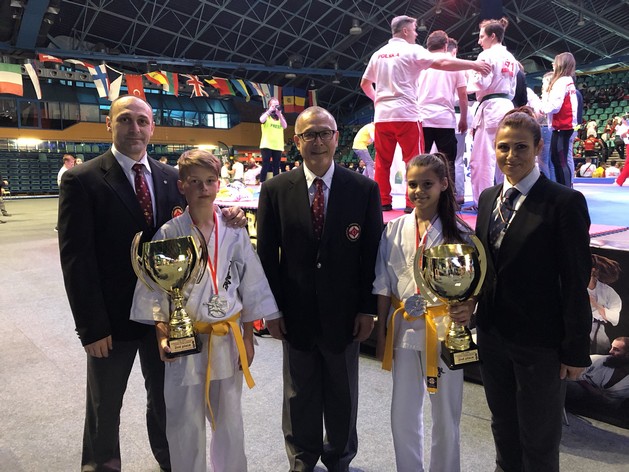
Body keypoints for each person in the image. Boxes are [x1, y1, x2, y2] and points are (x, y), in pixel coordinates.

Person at [58, 95, 245, 472]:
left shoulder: (170, 177)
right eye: (125, 120)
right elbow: (77, 259)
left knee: (167, 401)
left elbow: (195, 218)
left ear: (152, 127)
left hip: (167, 315)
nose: (135, 128)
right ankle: (100, 466)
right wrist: (91, 326)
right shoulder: (83, 179)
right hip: (112, 320)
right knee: (105, 405)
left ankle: (171, 463)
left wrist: (230, 215)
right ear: (109, 124)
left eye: (142, 121)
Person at [131, 149, 280, 472]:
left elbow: (250, 283)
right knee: (185, 421)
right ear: (181, 185)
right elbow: (157, 291)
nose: (204, 188)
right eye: (195, 182)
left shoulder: (234, 228)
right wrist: (162, 335)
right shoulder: (170, 232)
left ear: (219, 184)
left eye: (210, 181)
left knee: (230, 419)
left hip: (227, 338)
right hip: (186, 340)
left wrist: (248, 337)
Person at [257, 106, 383, 472]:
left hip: (345, 313)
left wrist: (367, 308)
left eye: (324, 133)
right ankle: (302, 456)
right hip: (294, 312)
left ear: (336, 138)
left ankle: (340, 457)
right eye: (309, 134)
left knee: (343, 391)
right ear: (296, 141)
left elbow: (371, 254)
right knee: (299, 392)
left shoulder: (363, 189)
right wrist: (271, 310)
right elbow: (267, 256)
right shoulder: (275, 189)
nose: (317, 141)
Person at [474, 107, 592, 472]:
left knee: (538, 440)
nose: (511, 155)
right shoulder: (488, 198)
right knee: (503, 428)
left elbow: (575, 279)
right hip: (493, 337)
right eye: (503, 147)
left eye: (521, 147)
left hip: (540, 343)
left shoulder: (564, 202)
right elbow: (485, 268)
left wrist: (575, 349)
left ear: (539, 147)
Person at [373, 153, 476, 472]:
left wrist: (470, 308)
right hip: (403, 328)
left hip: (447, 331)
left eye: (427, 184)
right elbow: (383, 285)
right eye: (412, 184)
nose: (418, 191)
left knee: (446, 413)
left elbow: (475, 286)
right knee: (402, 412)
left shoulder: (460, 234)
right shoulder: (394, 229)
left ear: (444, 184)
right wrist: (382, 332)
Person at [360, 15, 490, 211]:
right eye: (414, 30)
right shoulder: (412, 50)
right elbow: (443, 63)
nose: (416, 34)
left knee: (382, 161)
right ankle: (411, 203)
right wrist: (473, 65)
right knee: (413, 160)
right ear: (405, 31)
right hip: (407, 115)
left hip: (383, 116)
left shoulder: (378, 54)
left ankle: (383, 201)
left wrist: (377, 100)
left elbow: (365, 84)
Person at [467, 17, 519, 209]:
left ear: (493, 36)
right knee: (504, 156)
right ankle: (504, 197)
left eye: (482, 37)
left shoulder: (486, 55)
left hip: (490, 107)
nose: (479, 41)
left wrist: (466, 77)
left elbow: (480, 84)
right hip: (507, 106)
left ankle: (483, 202)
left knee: (482, 159)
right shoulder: (511, 58)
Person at [417, 31, 469, 209]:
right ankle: (450, 201)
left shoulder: (420, 63)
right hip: (445, 119)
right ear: (446, 46)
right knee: (448, 163)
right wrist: (463, 118)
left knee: (421, 161)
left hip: (423, 117)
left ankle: (420, 198)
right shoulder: (454, 64)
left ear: (428, 45)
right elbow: (463, 95)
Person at [541, 52, 579, 187]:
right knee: (559, 160)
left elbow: (555, 106)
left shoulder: (561, 82)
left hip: (562, 125)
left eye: (555, 62)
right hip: (564, 125)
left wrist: (543, 107)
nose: (553, 64)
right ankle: (565, 188)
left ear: (560, 64)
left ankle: (565, 190)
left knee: (559, 161)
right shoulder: (568, 81)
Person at [566, 337, 629, 409]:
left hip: (608, 407)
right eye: (611, 347)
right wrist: (591, 389)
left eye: (616, 349)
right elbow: (573, 374)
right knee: (571, 387)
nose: (610, 352)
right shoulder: (597, 360)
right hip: (581, 392)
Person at [589, 254, 622, 354]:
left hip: (598, 335)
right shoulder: (575, 287)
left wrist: (595, 303)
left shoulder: (608, 291)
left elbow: (614, 318)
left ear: (594, 270)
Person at [259, 98, 287, 182]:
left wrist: (280, 115)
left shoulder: (280, 116)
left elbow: (285, 126)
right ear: (269, 105)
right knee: (265, 165)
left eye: (277, 105)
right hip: (266, 145)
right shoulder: (266, 115)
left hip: (278, 145)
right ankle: (262, 183)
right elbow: (261, 120)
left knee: (276, 166)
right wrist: (269, 111)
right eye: (273, 105)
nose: (275, 106)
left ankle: (276, 184)